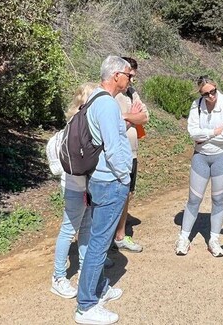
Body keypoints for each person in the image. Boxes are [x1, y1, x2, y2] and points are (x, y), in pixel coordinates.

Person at [74, 56, 133, 325]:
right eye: (129, 76)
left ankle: (97, 289)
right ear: (116, 75)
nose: (130, 80)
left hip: (97, 179)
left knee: (97, 239)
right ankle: (86, 306)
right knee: (99, 243)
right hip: (110, 181)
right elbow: (113, 147)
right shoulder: (107, 105)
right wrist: (124, 177)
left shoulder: (95, 98)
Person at [175, 76, 223, 257]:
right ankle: (183, 237)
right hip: (201, 156)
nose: (211, 96)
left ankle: (214, 239)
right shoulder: (197, 105)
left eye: (213, 91)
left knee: (218, 200)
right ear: (200, 94)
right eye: (206, 93)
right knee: (193, 199)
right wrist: (212, 132)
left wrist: (204, 137)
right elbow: (192, 133)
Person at [49, 82, 97, 299]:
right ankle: (58, 277)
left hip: (85, 189)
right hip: (75, 189)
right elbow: (56, 165)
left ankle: (84, 271)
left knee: (86, 228)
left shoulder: (77, 129)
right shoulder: (69, 132)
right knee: (69, 230)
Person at [112, 56, 149, 253]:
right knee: (112, 195)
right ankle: (106, 238)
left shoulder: (132, 93)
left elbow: (145, 116)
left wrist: (127, 116)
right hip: (116, 153)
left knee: (126, 194)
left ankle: (120, 235)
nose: (132, 81)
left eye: (133, 76)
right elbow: (114, 126)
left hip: (132, 153)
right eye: (129, 76)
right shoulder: (111, 96)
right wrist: (130, 118)